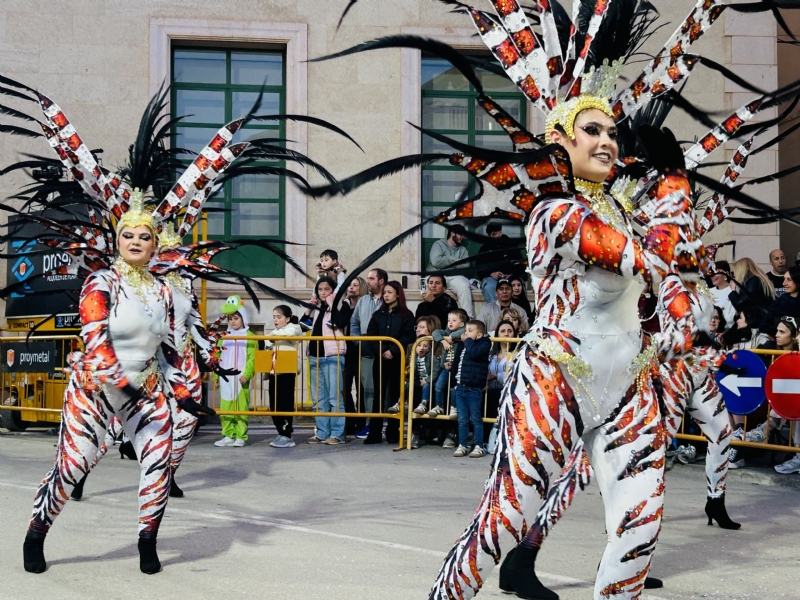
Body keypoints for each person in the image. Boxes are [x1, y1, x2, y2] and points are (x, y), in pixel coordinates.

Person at [23, 192, 180, 575]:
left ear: (154, 245)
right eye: (128, 235)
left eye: (144, 236)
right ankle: (36, 533)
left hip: (144, 390)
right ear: (118, 241)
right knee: (74, 465)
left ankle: (147, 542)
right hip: (95, 387)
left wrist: (186, 392)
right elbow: (96, 339)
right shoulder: (101, 281)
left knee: (161, 463)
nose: (136, 242)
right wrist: (119, 382)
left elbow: (173, 345)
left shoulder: (163, 290)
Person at [364, 281, 416, 444]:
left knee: (395, 395)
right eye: (384, 292)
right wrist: (381, 351)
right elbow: (371, 336)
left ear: (398, 294)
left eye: (389, 292)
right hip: (380, 360)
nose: (386, 295)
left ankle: (393, 432)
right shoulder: (377, 315)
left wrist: (392, 350)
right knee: (378, 396)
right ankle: (374, 433)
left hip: (397, 360)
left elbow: (408, 336)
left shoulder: (406, 315)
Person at [305, 276, 352, 445]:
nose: (323, 292)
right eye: (320, 289)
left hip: (332, 356)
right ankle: (322, 432)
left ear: (333, 290)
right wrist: (309, 309)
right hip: (314, 356)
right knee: (318, 398)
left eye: (327, 289)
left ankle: (337, 433)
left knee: (334, 397)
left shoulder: (342, 304)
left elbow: (341, 322)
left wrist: (332, 304)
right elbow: (303, 325)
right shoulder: (317, 306)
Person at [214, 296, 256, 448]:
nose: (233, 321)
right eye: (230, 318)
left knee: (241, 407)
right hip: (226, 379)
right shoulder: (223, 336)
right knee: (225, 407)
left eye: (236, 318)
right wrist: (217, 376)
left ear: (243, 318)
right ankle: (227, 435)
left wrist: (247, 374)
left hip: (240, 378)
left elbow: (252, 358)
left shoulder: (250, 336)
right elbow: (217, 357)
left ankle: (240, 436)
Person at [350, 268, 387, 438]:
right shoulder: (363, 301)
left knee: (383, 390)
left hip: (385, 353)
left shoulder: (388, 300)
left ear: (381, 281)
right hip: (366, 353)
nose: (368, 281)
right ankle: (370, 424)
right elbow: (354, 323)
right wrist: (358, 341)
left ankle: (381, 424)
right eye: (368, 278)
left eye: (372, 278)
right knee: (368, 390)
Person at [451, 320, 492, 458]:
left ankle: (479, 446)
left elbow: (474, 353)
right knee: (462, 419)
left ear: (479, 335)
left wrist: (467, 340)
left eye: (470, 331)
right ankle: (462, 444)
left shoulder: (484, 343)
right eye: (466, 330)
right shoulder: (463, 345)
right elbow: (457, 363)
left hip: (474, 388)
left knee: (475, 418)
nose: (466, 333)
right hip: (461, 386)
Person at [265, 305, 304, 449]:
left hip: (287, 371)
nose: (275, 320)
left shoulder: (293, 328)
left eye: (279, 317)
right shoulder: (274, 333)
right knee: (274, 404)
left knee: (285, 403)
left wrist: (272, 337)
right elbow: (267, 344)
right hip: (274, 372)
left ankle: (287, 434)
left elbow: (290, 333)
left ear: (287, 318)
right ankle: (280, 431)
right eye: (274, 317)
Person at [428, 308, 468, 420]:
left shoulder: (463, 333)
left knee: (454, 388)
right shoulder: (445, 333)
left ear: (461, 323)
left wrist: (452, 337)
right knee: (438, 385)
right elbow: (435, 332)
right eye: (449, 320)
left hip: (458, 369)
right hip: (446, 368)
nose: (450, 322)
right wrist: (443, 340)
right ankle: (439, 406)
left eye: (454, 320)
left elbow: (464, 330)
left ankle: (454, 407)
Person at [428, 224, 475, 317]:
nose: (462, 237)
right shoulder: (439, 244)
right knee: (426, 288)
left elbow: (466, 265)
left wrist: (445, 260)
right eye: (460, 234)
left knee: (464, 286)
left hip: (454, 277)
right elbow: (436, 262)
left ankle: (468, 319)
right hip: (436, 276)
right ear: (452, 233)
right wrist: (456, 262)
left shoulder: (463, 250)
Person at [485, 320, 517, 446]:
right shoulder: (490, 354)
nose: (506, 334)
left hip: (508, 393)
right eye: (502, 331)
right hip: (489, 391)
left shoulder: (517, 354)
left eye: (510, 331)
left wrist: (496, 376)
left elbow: (514, 374)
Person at [342, 277, 367, 436]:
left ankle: (361, 422)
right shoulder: (343, 305)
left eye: (355, 285)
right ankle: (349, 421)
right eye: (349, 285)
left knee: (362, 389)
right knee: (344, 388)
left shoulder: (365, 306)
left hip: (361, 351)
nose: (351, 287)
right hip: (346, 351)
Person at [476, 223, 523, 303]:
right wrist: (491, 273)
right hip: (491, 279)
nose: (492, 237)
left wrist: (511, 275)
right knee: (488, 287)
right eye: (489, 235)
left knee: (517, 286)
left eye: (494, 234)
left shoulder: (511, 246)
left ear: (500, 232)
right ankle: (496, 314)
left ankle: (514, 313)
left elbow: (520, 265)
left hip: (510, 278)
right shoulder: (485, 248)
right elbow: (479, 267)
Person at [729, 257, 776, 323]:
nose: (734, 275)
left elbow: (740, 304)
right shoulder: (755, 279)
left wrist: (733, 290)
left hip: (759, 321)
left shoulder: (753, 281)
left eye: (734, 271)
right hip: (762, 318)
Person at [759, 265, 800, 338]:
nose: (784, 283)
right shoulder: (780, 301)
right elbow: (764, 324)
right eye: (784, 279)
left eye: (789, 279)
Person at [709, 260, 736, 325]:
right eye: (711, 273)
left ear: (725, 273)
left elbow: (734, 316)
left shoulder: (734, 291)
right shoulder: (708, 292)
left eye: (716, 272)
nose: (712, 276)